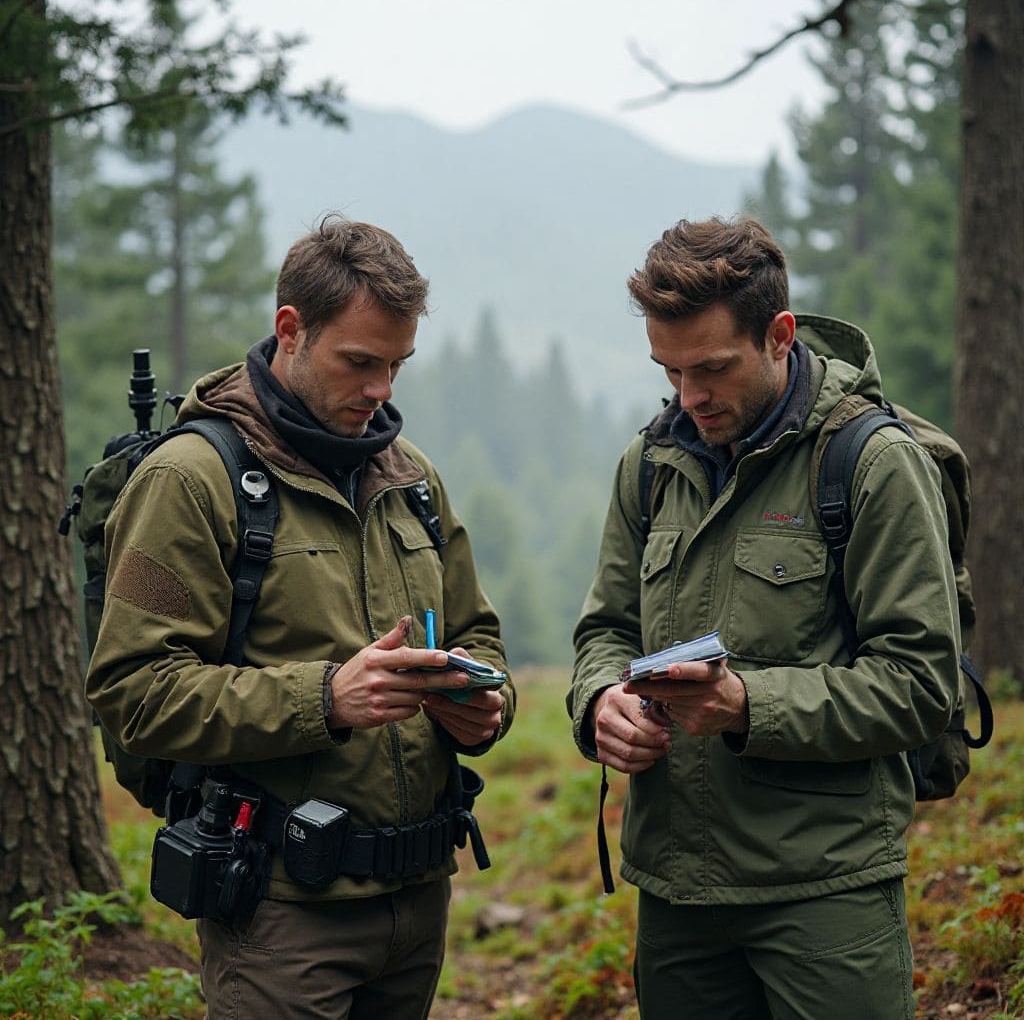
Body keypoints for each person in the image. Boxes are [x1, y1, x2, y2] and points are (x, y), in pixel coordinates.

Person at [87, 214, 514, 1020]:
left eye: (397, 364)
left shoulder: (410, 478)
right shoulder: (190, 481)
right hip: (282, 914)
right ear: (291, 330)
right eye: (360, 361)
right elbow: (133, 690)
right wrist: (324, 699)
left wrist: (483, 705)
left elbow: (477, 634)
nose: (382, 389)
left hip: (419, 900)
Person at [568, 216, 960, 1020]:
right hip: (676, 894)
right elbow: (605, 629)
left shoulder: (872, 465)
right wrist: (599, 703)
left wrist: (749, 706)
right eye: (669, 371)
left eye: (711, 368)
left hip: (827, 896)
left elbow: (922, 684)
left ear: (780, 335)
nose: (690, 397)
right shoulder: (650, 465)